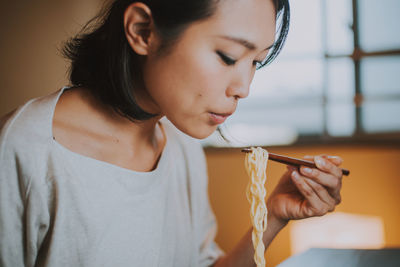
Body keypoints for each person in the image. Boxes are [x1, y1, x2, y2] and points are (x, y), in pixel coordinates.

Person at [0, 0, 344, 266]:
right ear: (142, 31)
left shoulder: (180, 146)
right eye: (228, 56)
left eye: (255, 62)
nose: (244, 87)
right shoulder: (25, 150)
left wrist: (273, 215)